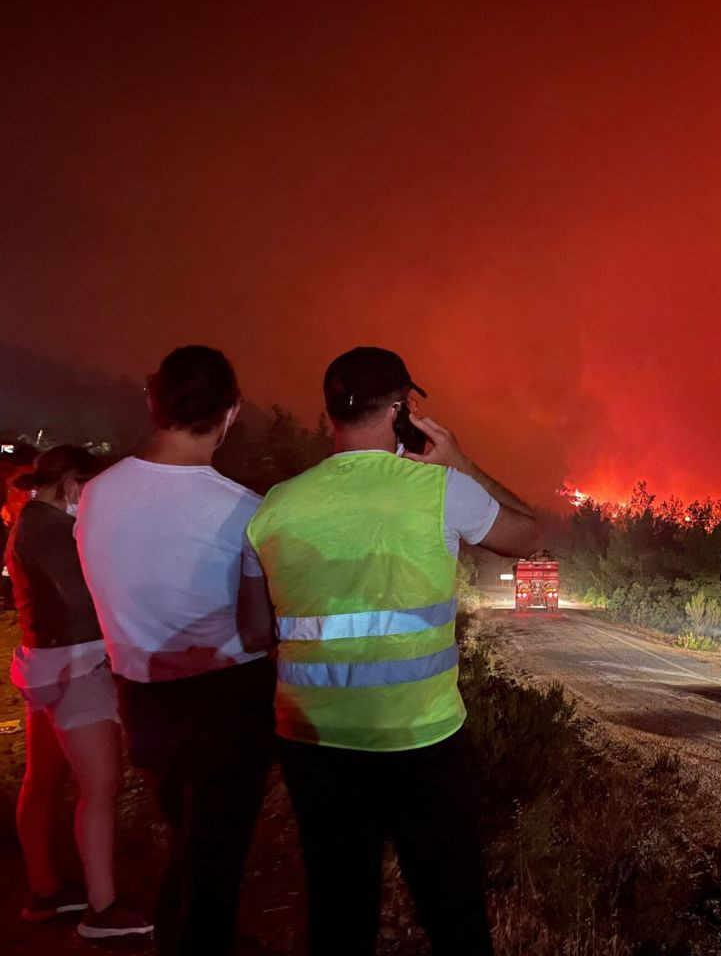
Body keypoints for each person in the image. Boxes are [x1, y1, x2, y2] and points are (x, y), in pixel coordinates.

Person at [241, 346, 540, 956]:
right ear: (402, 409)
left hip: (314, 744)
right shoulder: (440, 491)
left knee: (338, 912)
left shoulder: (274, 506)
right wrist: (461, 463)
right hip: (421, 740)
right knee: (454, 914)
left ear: (332, 412)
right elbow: (528, 535)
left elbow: (252, 632)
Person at [75, 346, 274, 956]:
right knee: (216, 863)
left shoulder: (96, 494)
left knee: (190, 840)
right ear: (231, 412)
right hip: (223, 704)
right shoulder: (243, 510)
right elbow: (259, 630)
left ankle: (178, 931)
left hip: (141, 699)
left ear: (152, 402)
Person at [4, 447, 152, 939]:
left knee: (41, 781)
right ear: (71, 486)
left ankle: (45, 891)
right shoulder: (48, 531)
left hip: (44, 667)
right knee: (101, 787)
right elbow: (85, 599)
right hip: (78, 668)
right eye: (87, 492)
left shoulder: (30, 522)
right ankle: (102, 909)